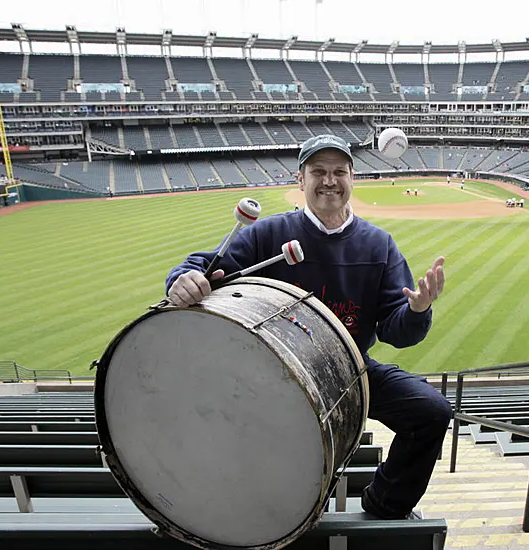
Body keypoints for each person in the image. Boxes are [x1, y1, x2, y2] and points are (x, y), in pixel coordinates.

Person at [165, 134, 452, 521]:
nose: (329, 181)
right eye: (318, 171)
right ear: (301, 180)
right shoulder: (267, 234)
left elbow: (397, 332)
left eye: (339, 172)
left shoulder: (378, 245)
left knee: (431, 412)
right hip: (270, 369)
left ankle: (386, 504)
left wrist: (417, 310)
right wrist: (182, 278)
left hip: (348, 367)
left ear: (353, 179)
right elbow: (208, 266)